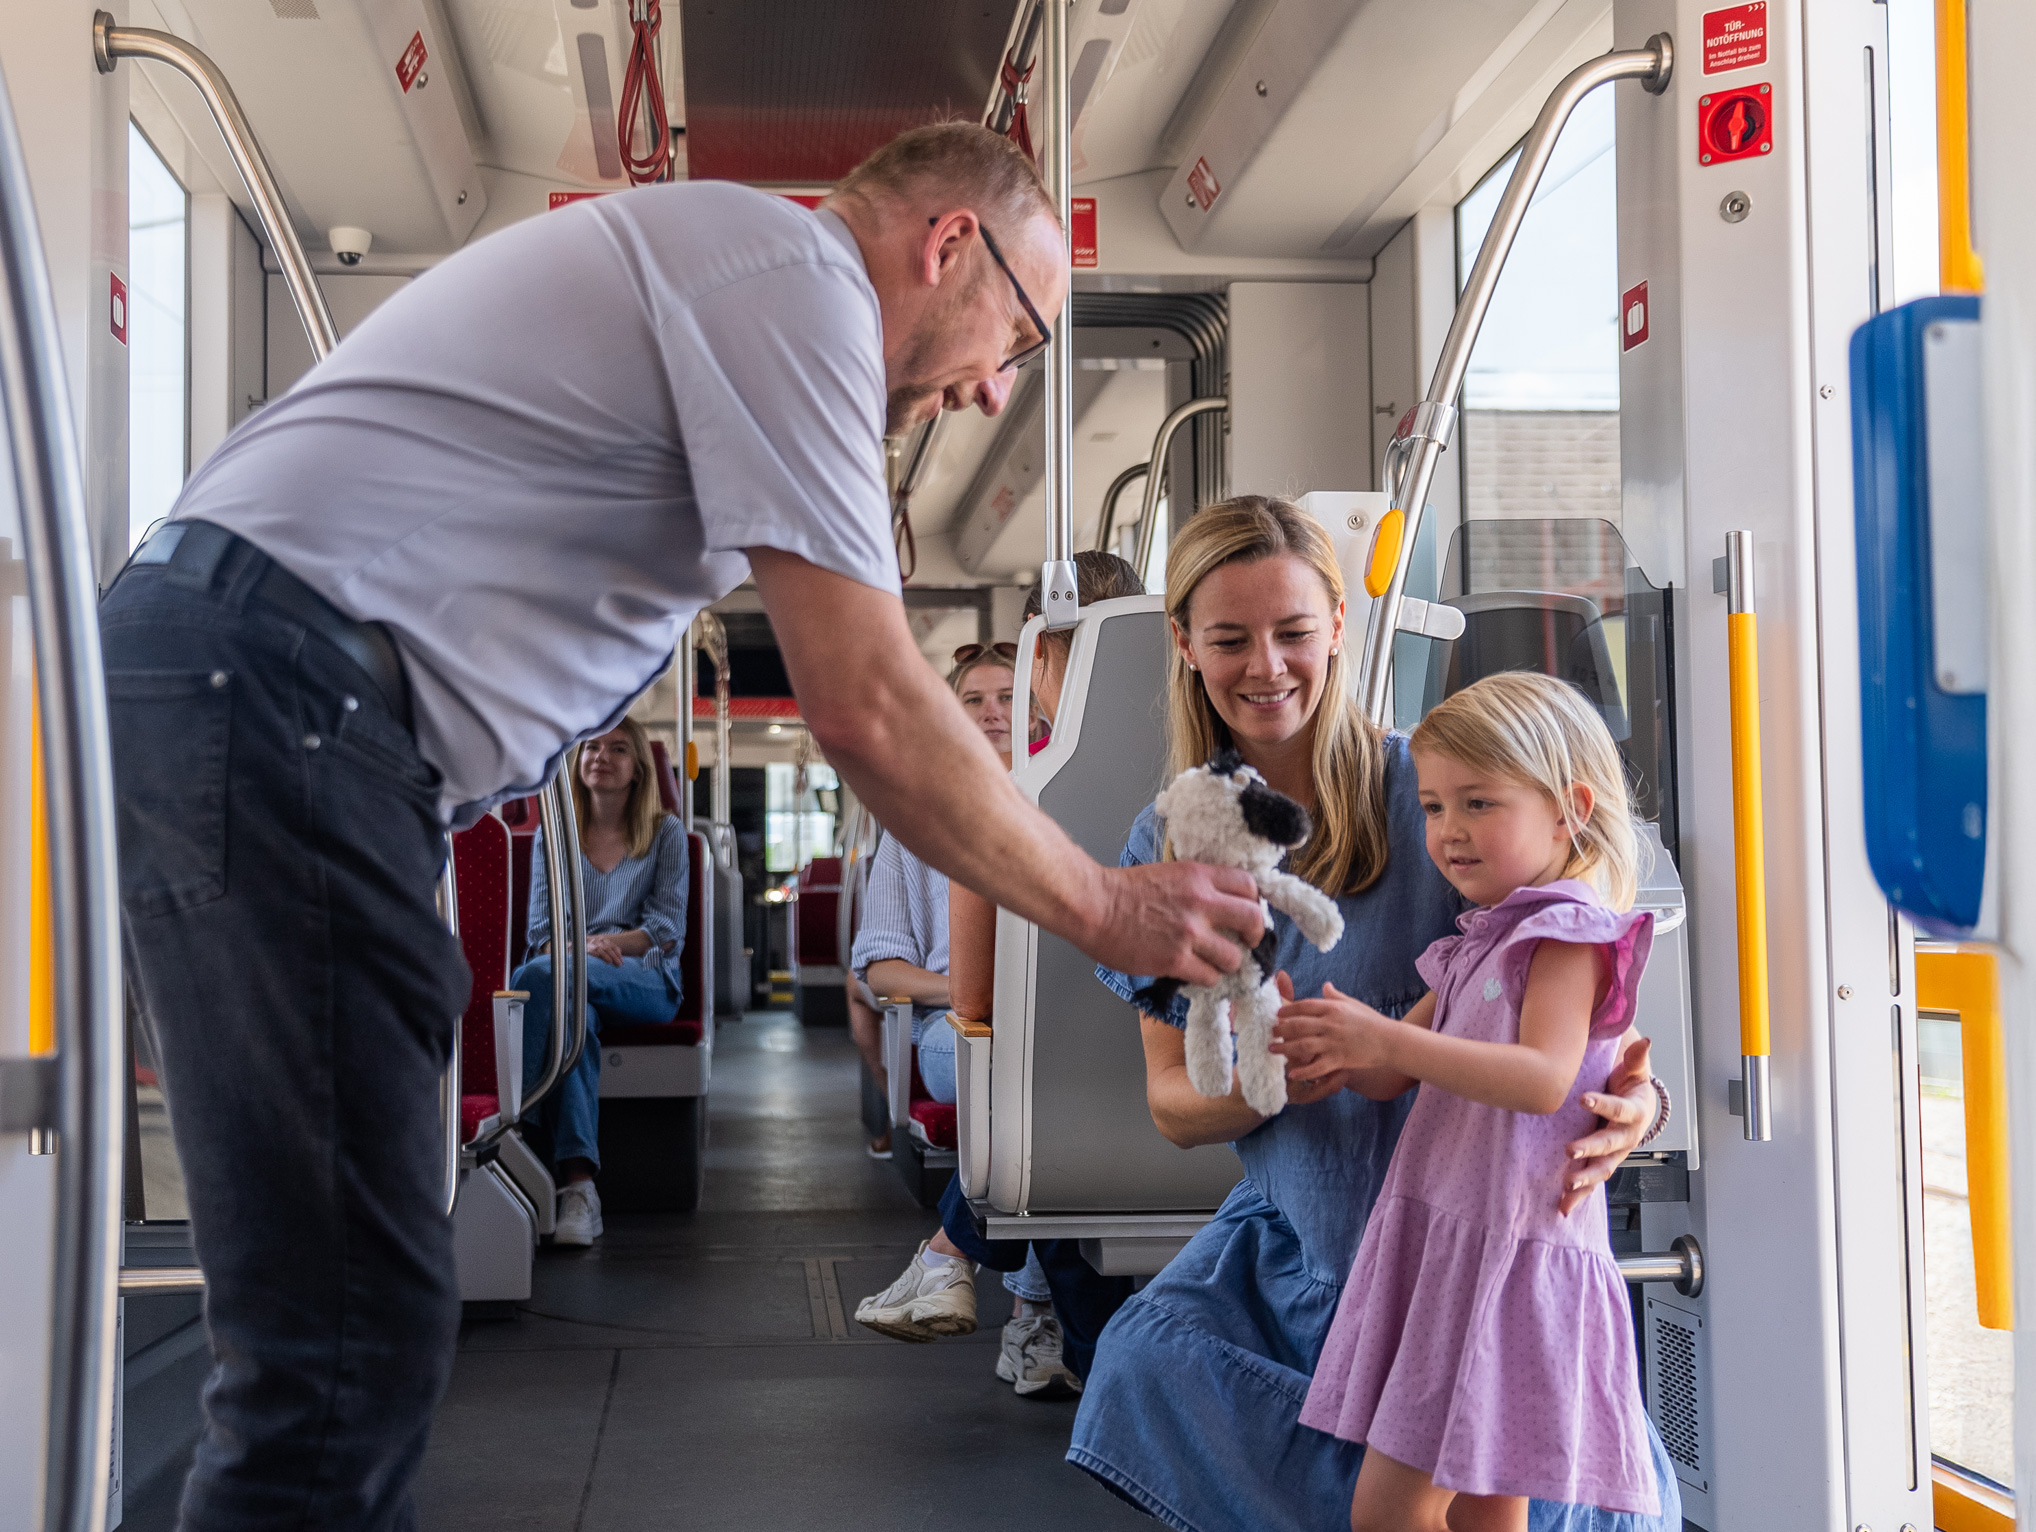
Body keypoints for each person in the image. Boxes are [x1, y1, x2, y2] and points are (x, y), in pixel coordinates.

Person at [104, 121, 1270, 1531]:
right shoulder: (796, 285)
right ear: (946, 243)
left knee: (355, 1302)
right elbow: (873, 708)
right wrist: (1112, 907)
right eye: (1015, 334)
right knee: (339, 1331)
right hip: (282, 706)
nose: (989, 390)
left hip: (297, 724)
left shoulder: (744, 284)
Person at [1060, 498, 1678, 1532]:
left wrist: (1636, 1108)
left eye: (1294, 630)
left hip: (1472, 1243)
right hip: (1304, 1241)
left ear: (1338, 625)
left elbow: (1577, 1017)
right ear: (1182, 644)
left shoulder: (1443, 799)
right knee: (1140, 1366)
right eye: (1228, 637)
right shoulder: (1170, 839)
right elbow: (1174, 1101)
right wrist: (1275, 1078)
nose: (1267, 664)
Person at [1275, 671, 1660, 1529]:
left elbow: (1542, 1077)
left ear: (1570, 809)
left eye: (1478, 803)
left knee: (1389, 1507)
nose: (1448, 832)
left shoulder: (1566, 935)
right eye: (1435, 807)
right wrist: (1328, 1038)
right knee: (1488, 1504)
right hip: (1459, 1238)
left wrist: (1389, 1042)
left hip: (1503, 1250)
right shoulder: (1479, 939)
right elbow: (1390, 1076)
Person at [853, 551, 1147, 1394]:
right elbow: (891, 968)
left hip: (1047, 1027)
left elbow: (1004, 981)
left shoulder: (1045, 788)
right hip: (1014, 1019)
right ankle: (1050, 1325)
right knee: (1022, 1073)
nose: (994, 713)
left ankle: (971, 1265)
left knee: (1032, 1090)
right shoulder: (939, 805)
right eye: (974, 700)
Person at [509, 716, 689, 1247]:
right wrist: (578, 951)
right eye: (590, 746)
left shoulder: (665, 833)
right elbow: (542, 931)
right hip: (568, 972)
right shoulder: (554, 833)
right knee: (575, 1023)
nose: (600, 756)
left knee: (534, 980)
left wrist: (594, 949)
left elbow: (666, 929)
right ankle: (580, 1187)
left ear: (637, 769)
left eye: (617, 749)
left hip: (644, 979)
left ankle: (515, 1130)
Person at [849, 646, 1013, 1155]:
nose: (993, 711)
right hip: (958, 1024)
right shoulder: (913, 829)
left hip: (1055, 1019)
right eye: (974, 700)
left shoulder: (1069, 805)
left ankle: (961, 1232)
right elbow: (879, 971)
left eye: (1008, 697)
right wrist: (970, 992)